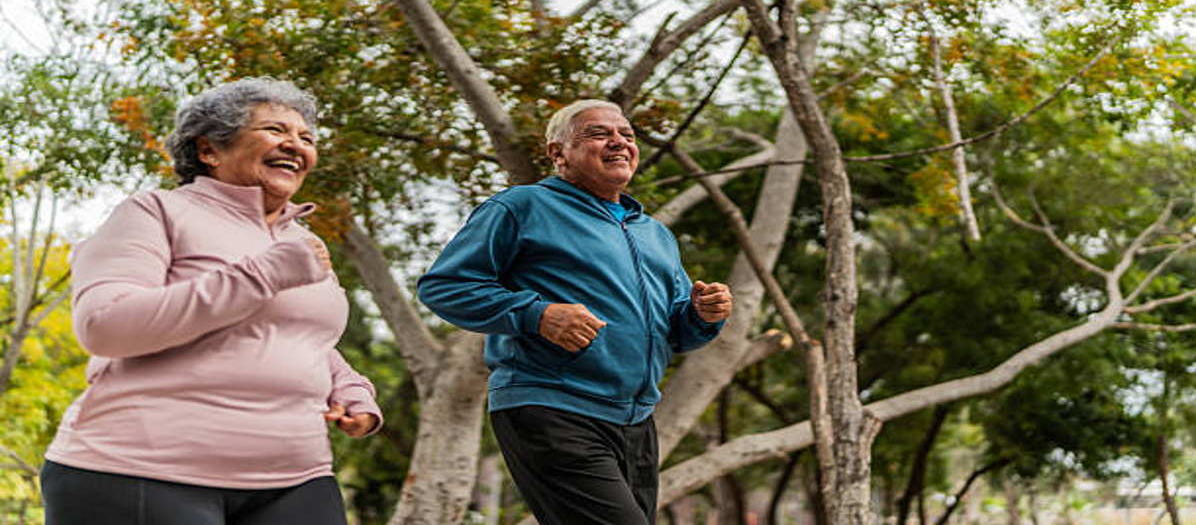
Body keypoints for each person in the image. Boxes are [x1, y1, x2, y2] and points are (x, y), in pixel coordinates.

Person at [41, 78, 382, 525]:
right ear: (209, 150)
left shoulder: (301, 241)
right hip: (138, 469)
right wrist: (266, 272)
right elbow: (105, 326)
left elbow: (297, 335)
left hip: (296, 476)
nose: (295, 145)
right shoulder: (154, 212)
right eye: (275, 130)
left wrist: (351, 389)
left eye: (306, 138)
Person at [417, 99, 733, 524]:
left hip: (636, 420)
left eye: (627, 135)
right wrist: (538, 315)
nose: (619, 142)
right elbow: (444, 286)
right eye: (599, 134)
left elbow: (677, 332)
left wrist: (702, 315)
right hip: (550, 404)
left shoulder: (655, 234)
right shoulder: (521, 206)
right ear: (558, 153)